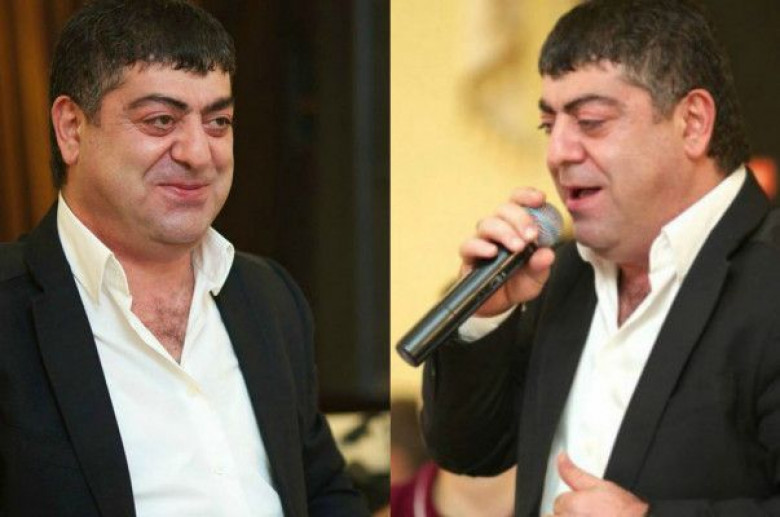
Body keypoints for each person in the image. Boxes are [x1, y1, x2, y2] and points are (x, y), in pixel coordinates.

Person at [0, 1, 368, 515]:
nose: (198, 153)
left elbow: (323, 489)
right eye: (161, 120)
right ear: (72, 128)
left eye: (218, 122)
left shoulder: (269, 297)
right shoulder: (9, 310)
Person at [420, 0, 780, 515]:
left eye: (590, 122)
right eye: (549, 126)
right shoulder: (561, 273)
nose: (558, 153)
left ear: (693, 123)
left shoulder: (769, 280)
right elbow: (468, 450)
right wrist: (483, 318)